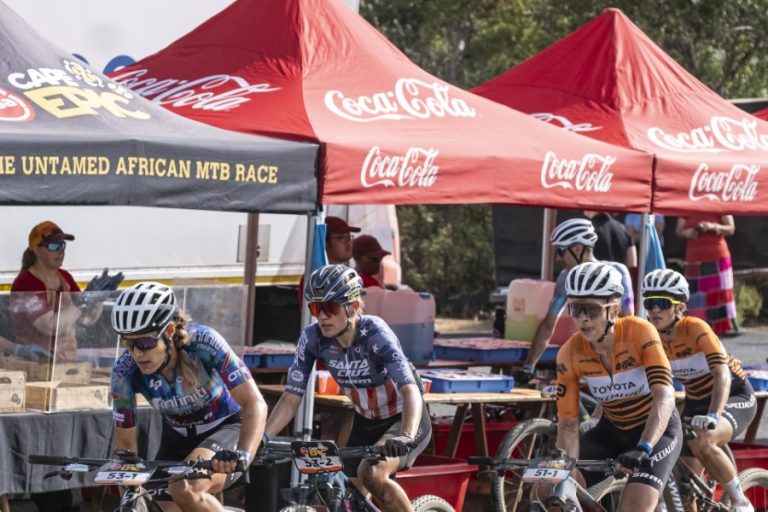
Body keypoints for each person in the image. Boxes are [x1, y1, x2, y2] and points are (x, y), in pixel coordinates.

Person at [265, 265, 431, 512]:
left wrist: (405, 435)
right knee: (342, 497)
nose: (321, 316)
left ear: (353, 306)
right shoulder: (313, 338)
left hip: (402, 420)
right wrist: (262, 437)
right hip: (365, 422)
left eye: (329, 308)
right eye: (315, 308)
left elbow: (409, 389)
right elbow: (291, 397)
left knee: (372, 473)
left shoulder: (375, 333)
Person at [111, 282, 267, 511]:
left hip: (226, 429)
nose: (137, 353)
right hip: (176, 437)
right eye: (129, 343)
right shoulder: (123, 373)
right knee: (157, 499)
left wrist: (242, 454)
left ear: (170, 332)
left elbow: (255, 403)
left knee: (185, 487)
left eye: (145, 342)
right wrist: (130, 493)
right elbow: (126, 450)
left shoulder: (204, 343)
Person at [555, 262, 681, 512]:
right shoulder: (568, 353)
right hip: (610, 432)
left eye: (590, 309)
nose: (582, 318)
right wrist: (563, 470)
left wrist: (643, 447)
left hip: (655, 433)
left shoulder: (639, 332)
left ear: (613, 310)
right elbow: (568, 424)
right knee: (550, 490)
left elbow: (665, 397)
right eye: (576, 308)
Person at [642, 269, 756, 512]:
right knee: (686, 488)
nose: (654, 310)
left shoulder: (695, 328)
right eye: (649, 303)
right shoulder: (651, 338)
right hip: (695, 403)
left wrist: (714, 414)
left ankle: (740, 500)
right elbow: (638, 380)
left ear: (680, 307)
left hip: (733, 395)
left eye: (662, 303)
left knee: (703, 440)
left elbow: (721, 374)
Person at [516, 218, 635, 383]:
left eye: (560, 251)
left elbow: (628, 323)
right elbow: (547, 326)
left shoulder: (617, 272)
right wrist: (528, 367)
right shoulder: (566, 277)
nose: (558, 258)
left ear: (577, 248)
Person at [11, 221, 102, 362]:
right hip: (37, 362)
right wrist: (82, 302)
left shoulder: (65, 277)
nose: (61, 251)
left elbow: (86, 319)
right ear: (36, 250)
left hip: (66, 359)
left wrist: (96, 300)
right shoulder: (26, 282)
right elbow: (49, 327)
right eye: (54, 246)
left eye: (62, 245)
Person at [676, 215, 737, 335]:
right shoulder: (687, 203)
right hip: (694, 259)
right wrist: (687, 232)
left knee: (718, 301)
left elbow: (731, 228)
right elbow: (678, 231)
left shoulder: (720, 202)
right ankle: (698, 333)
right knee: (694, 299)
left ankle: (717, 339)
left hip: (718, 258)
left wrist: (712, 226)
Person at [298, 216, 361, 304]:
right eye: (341, 237)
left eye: (349, 237)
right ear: (325, 242)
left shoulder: (344, 274)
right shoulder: (317, 278)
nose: (348, 242)